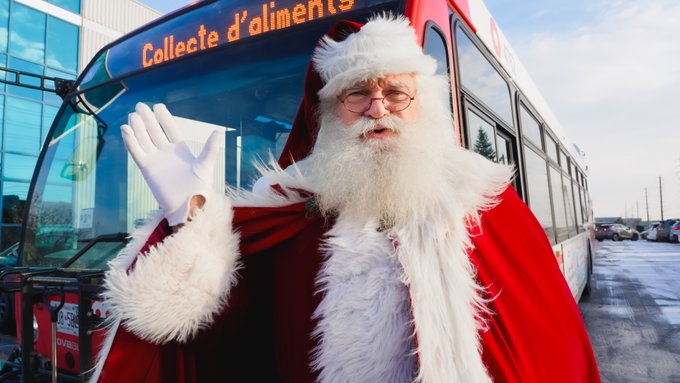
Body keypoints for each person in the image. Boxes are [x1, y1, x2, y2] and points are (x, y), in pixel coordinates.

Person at [91, 15, 600, 383]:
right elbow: (227, 337)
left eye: (396, 92)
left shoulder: (486, 204)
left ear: (424, 104)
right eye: (356, 94)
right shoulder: (293, 208)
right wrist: (194, 219)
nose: (378, 107)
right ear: (331, 114)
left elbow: (550, 348)